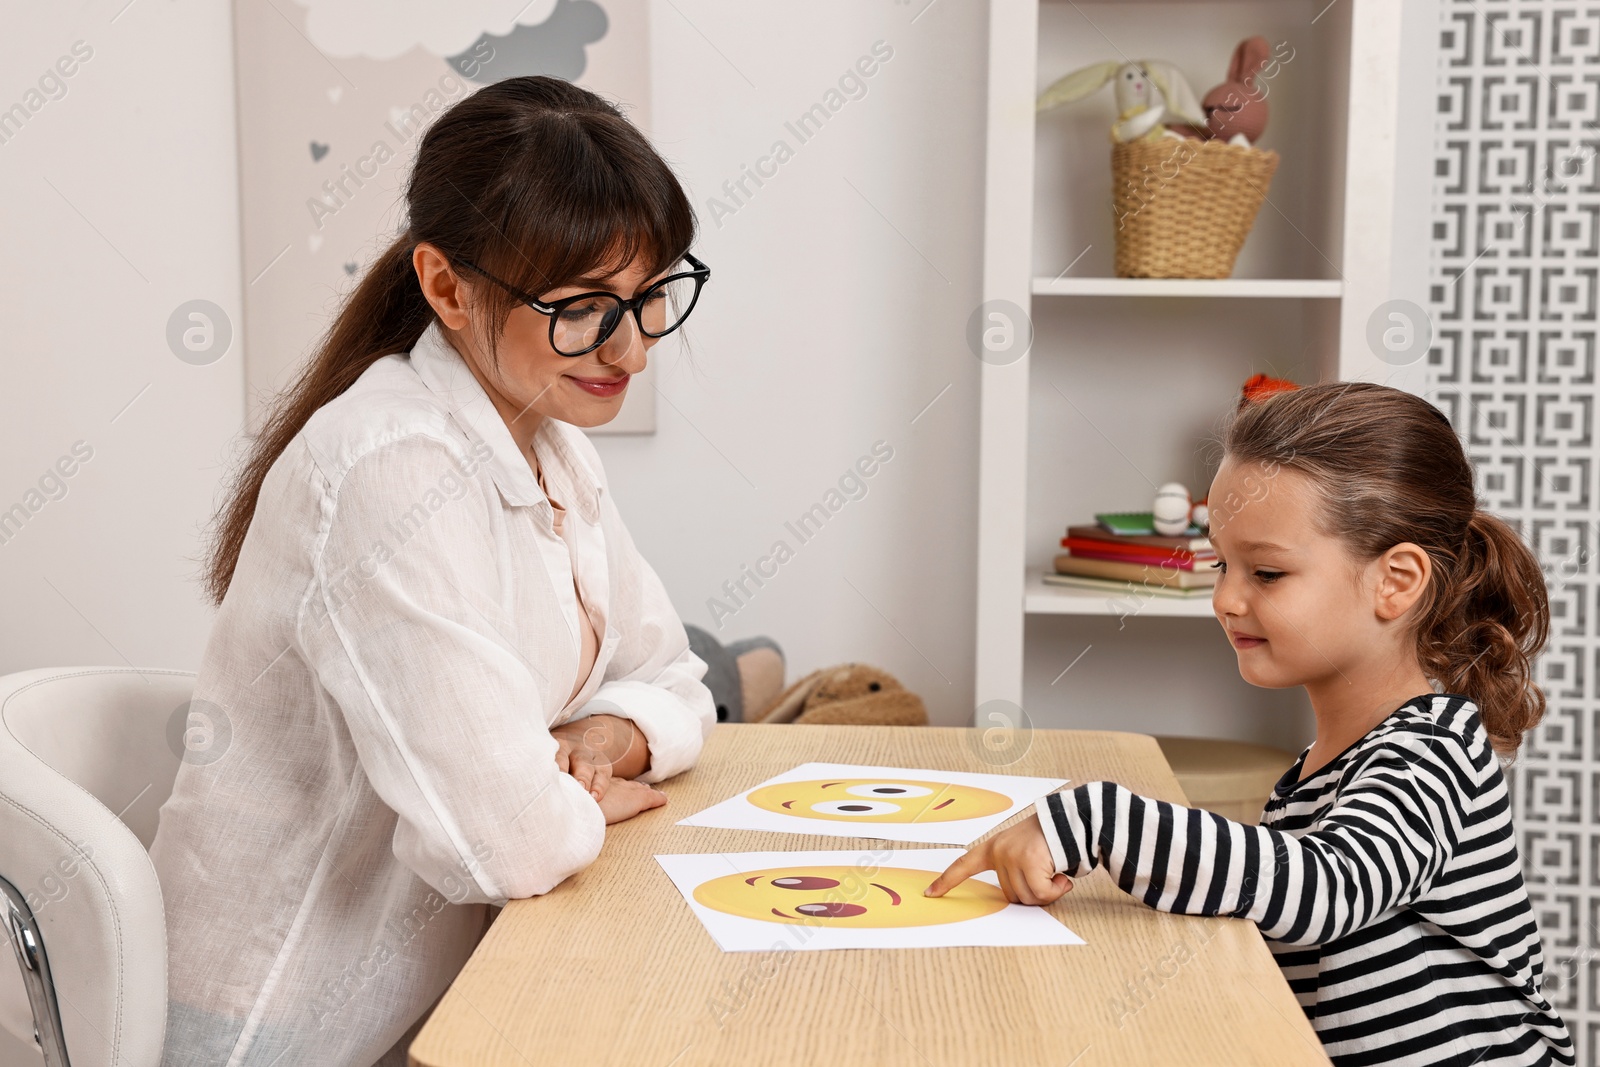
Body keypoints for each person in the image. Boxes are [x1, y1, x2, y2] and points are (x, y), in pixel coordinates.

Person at [149, 76, 716, 1066]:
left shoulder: (550, 447)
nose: (629, 346)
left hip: (440, 991)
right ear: (446, 286)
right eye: (584, 306)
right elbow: (502, 842)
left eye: (649, 295)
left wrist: (603, 737)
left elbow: (678, 678)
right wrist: (552, 797)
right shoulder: (384, 466)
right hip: (286, 1024)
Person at [928, 382, 1575, 1066]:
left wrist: (1097, 818)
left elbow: (1330, 886)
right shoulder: (1313, 774)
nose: (1226, 598)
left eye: (1266, 571)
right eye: (1221, 563)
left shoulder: (1435, 750)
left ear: (1397, 580)